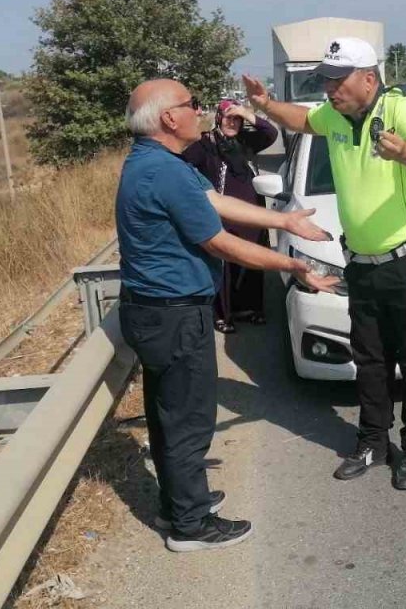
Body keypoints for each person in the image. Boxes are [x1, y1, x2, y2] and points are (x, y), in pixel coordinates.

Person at [116, 78, 338, 552]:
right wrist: (294, 264)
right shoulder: (164, 172)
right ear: (167, 118)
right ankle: (190, 527)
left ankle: (181, 500)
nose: (199, 110)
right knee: (188, 419)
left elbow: (215, 201)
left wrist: (283, 221)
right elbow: (219, 242)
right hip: (173, 315)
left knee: (171, 414)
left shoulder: (158, 163)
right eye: (190, 104)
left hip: (160, 312)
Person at [241, 37, 406, 490]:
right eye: (326, 80)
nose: (329, 88)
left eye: (338, 80)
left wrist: (403, 153)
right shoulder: (333, 114)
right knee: (369, 357)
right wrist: (266, 105)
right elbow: (302, 119)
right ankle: (373, 441)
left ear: (369, 78)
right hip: (360, 259)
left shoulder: (399, 108)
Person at [181, 99, 279, 333]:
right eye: (228, 117)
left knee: (253, 260)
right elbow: (182, 165)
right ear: (218, 118)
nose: (233, 122)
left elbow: (271, 132)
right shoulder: (206, 144)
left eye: (237, 119)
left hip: (251, 213)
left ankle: (251, 309)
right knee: (224, 265)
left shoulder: (246, 142)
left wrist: (246, 112)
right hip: (222, 214)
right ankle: (222, 315)